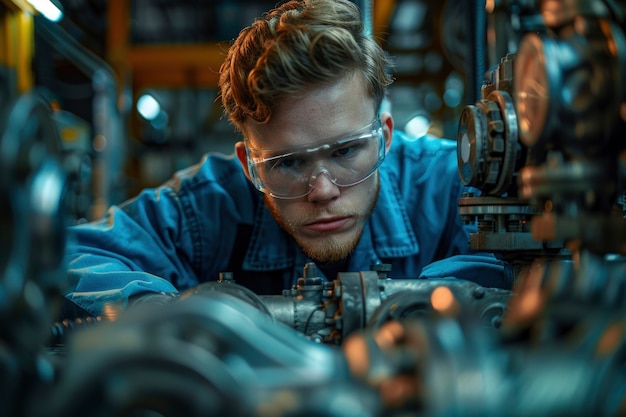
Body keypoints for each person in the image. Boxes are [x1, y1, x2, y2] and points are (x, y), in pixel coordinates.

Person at [61, 0, 512, 319]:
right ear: (247, 163)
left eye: (346, 151)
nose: (323, 190)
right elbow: (71, 257)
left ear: (385, 137)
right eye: (288, 163)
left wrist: (427, 299)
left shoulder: (456, 184)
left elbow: (521, 264)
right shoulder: (208, 208)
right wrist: (162, 314)